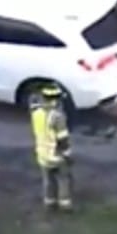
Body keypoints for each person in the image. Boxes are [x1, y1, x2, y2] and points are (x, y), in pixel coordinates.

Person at [31, 83, 73, 211]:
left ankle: (49, 202)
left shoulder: (36, 113)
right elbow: (62, 139)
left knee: (48, 180)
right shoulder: (57, 117)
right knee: (63, 179)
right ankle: (64, 204)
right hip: (56, 155)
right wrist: (67, 154)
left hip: (42, 154)